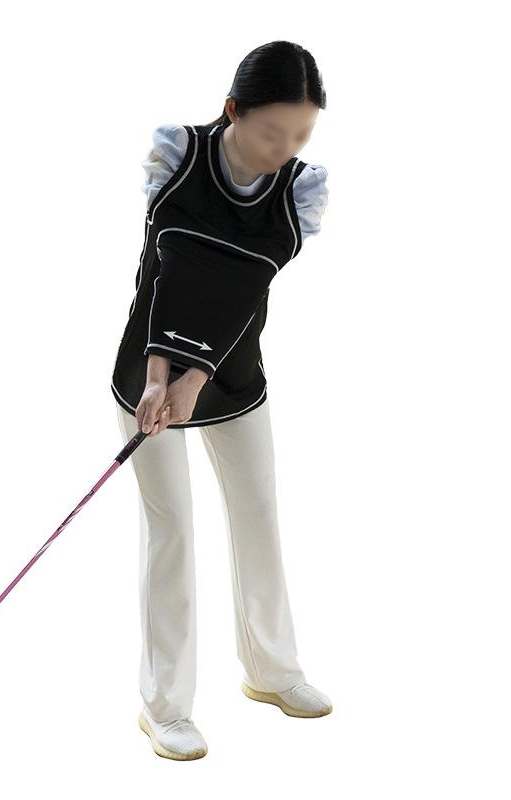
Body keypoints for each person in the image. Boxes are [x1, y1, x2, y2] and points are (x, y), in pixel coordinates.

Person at [111, 40, 332, 761]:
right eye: (272, 132)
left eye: (300, 135)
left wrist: (196, 378)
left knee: (258, 512)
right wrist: (159, 378)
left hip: (230, 371)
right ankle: (165, 708)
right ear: (233, 110)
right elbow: (167, 273)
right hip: (148, 366)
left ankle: (272, 670)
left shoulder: (296, 192)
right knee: (173, 526)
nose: (284, 150)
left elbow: (242, 288)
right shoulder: (178, 159)